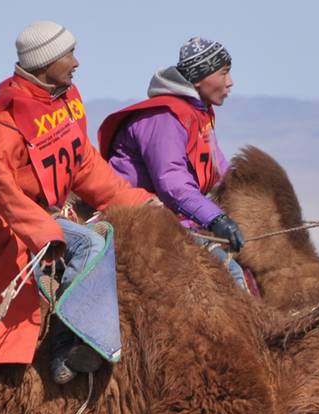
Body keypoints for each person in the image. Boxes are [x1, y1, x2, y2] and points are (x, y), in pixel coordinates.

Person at [0, 21, 154, 384]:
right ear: (45, 63)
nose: (77, 62)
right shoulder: (4, 123)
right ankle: (67, 346)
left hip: (49, 211)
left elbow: (84, 165)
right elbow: (4, 191)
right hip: (9, 222)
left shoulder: (66, 102)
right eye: (68, 54)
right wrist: (45, 232)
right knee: (89, 244)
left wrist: (139, 202)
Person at [99, 37, 253, 292]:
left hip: (175, 218)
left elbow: (219, 170)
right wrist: (216, 219)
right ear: (198, 79)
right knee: (231, 274)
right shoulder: (164, 117)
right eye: (223, 73)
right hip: (140, 218)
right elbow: (173, 184)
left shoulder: (198, 113)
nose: (230, 82)